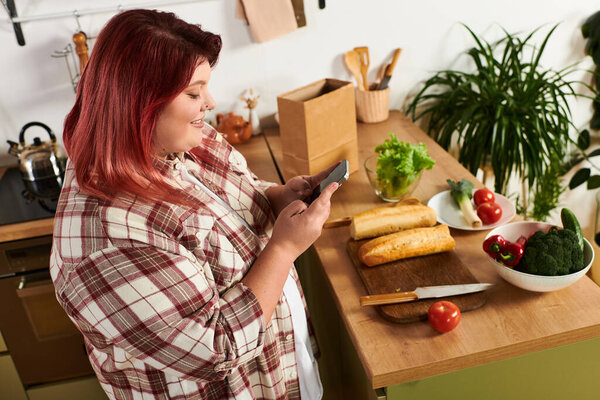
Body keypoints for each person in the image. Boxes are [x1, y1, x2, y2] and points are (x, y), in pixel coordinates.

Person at [50, 9, 339, 400]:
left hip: (280, 371)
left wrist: (278, 198)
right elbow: (215, 349)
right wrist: (285, 246)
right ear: (140, 105)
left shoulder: (183, 139)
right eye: (193, 93)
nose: (210, 102)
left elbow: (237, 193)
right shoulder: (106, 239)